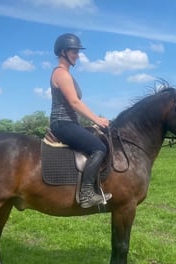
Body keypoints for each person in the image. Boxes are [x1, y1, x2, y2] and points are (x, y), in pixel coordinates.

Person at [49, 33, 112, 208]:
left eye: (78, 51)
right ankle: (86, 194)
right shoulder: (61, 74)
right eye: (74, 51)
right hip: (63, 124)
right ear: (63, 52)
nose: (77, 54)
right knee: (99, 148)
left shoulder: (67, 74)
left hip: (70, 123)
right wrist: (97, 119)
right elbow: (74, 102)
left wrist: (91, 123)